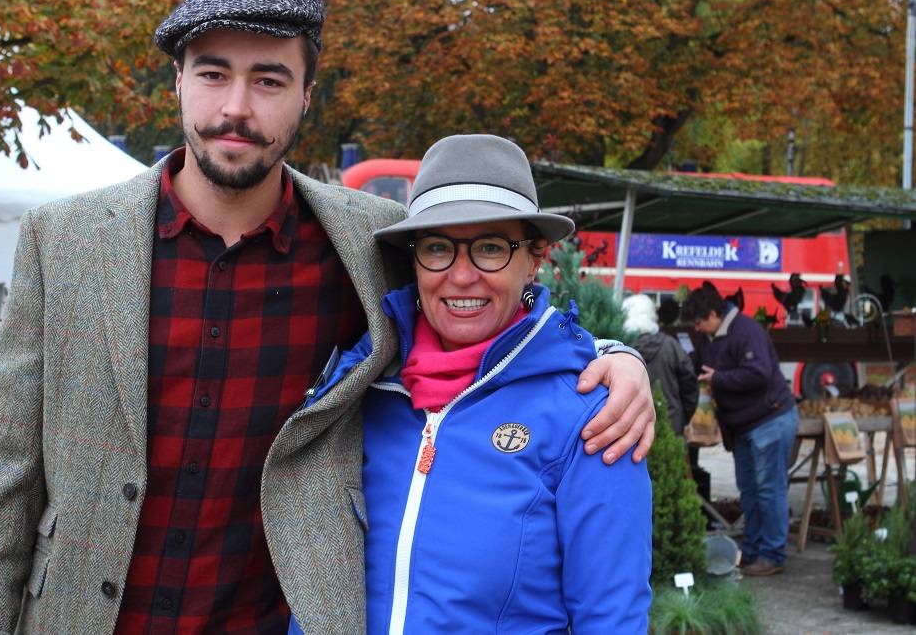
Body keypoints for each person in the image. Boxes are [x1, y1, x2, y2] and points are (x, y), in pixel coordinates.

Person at [0, 0, 655, 634]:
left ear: (307, 94)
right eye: (213, 74)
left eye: (269, 79)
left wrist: (614, 360)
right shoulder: (62, 240)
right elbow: (1, 476)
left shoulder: (368, 244)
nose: (236, 108)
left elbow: (480, 311)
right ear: (178, 81)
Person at [300, 135, 652, 633]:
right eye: (439, 248)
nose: (461, 276)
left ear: (535, 258)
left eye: (490, 248)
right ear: (414, 260)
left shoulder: (592, 415)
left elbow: (611, 619)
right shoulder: (357, 389)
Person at [680, 284, 799, 577]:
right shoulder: (712, 335)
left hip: (770, 419)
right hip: (744, 425)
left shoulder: (747, 331)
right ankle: (754, 549)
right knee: (750, 490)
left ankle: (773, 554)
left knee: (769, 490)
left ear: (713, 313)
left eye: (699, 322)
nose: (697, 329)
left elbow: (758, 373)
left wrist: (719, 378)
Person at [623, 294, 698, 435]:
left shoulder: (620, 349)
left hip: (632, 427)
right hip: (671, 424)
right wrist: (683, 415)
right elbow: (690, 385)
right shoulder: (671, 346)